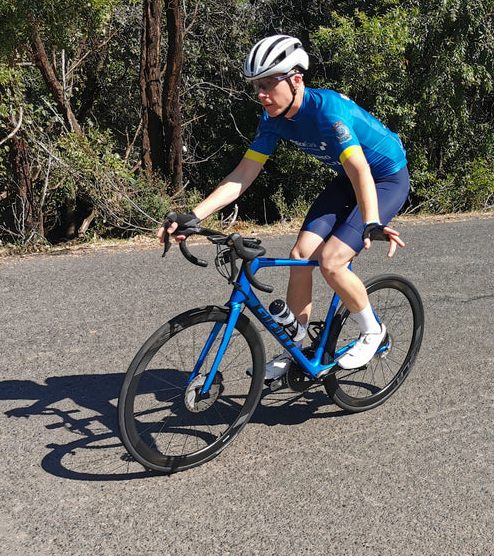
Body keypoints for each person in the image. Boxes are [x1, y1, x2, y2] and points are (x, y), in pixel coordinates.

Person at [162, 34, 410, 378]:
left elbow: (360, 169)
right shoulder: (272, 119)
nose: (261, 94)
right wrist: (194, 214)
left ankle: (373, 330)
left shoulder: (328, 112)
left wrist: (370, 220)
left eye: (267, 84)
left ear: (296, 80)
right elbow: (243, 174)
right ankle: (297, 347)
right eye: (256, 87)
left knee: (332, 262)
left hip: (385, 178)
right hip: (347, 180)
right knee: (300, 256)